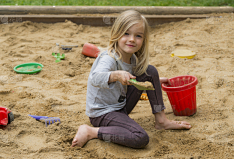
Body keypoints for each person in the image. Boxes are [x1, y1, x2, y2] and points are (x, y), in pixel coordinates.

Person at [71, 10, 191, 148]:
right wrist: (116, 75)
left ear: (143, 39)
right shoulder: (109, 58)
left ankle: (161, 120)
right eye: (126, 33)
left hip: (120, 106)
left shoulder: (132, 58)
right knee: (139, 137)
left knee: (150, 71)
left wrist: (153, 82)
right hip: (102, 114)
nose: (132, 39)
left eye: (138, 35)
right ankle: (91, 131)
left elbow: (133, 81)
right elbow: (95, 78)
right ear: (117, 33)